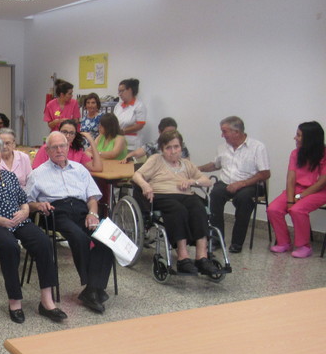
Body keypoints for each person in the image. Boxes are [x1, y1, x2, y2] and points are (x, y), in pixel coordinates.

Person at [0, 134, 64, 324]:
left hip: (18, 220)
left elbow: (23, 201)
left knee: (42, 242)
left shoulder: (9, 176)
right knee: (10, 246)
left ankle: (47, 301)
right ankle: (15, 301)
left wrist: (24, 212)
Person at [27, 132, 114, 314]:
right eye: (54, 147)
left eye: (62, 146)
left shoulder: (80, 169)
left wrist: (92, 214)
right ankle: (93, 288)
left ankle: (92, 289)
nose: (59, 150)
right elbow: (27, 203)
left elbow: (92, 197)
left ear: (68, 147)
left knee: (106, 239)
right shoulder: (38, 173)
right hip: (56, 212)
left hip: (83, 210)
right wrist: (39, 205)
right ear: (47, 150)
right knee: (79, 237)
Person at [131, 130, 219, 276]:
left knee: (198, 208)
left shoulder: (186, 164)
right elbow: (136, 175)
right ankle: (183, 258)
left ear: (181, 147)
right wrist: (145, 185)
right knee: (178, 210)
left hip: (185, 195)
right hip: (162, 195)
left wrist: (192, 181)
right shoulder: (156, 159)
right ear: (162, 149)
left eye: (176, 147)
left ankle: (202, 257)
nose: (173, 151)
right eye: (168, 148)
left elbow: (207, 181)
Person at [198, 116, 270, 253]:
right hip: (226, 182)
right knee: (215, 194)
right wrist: (198, 168)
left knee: (244, 199)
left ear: (236, 132)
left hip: (249, 184)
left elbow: (265, 173)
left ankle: (237, 242)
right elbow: (215, 165)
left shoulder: (257, 147)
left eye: (224, 132)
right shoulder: (222, 148)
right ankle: (217, 239)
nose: (222, 135)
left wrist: (242, 183)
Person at [267, 121, 326, 258]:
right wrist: (290, 199)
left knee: (297, 209)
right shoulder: (295, 153)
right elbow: (291, 178)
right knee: (273, 209)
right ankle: (284, 243)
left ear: (310, 138)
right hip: (297, 189)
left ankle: (304, 246)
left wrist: (299, 197)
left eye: (298, 135)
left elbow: (322, 182)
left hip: (320, 191)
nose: (295, 138)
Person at [32, 119, 102, 172]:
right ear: (59, 132)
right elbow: (36, 171)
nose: (68, 136)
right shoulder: (48, 148)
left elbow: (97, 168)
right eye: (64, 132)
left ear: (75, 135)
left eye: (71, 133)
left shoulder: (77, 150)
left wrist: (92, 141)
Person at [122, 117, 189, 164]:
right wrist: (127, 157)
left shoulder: (181, 146)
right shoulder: (153, 146)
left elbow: (187, 165)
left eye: (173, 132)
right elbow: (136, 153)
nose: (171, 135)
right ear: (160, 132)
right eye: (168, 132)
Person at [113, 78, 147, 152]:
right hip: (117, 142)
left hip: (132, 144)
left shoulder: (139, 105)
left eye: (122, 91)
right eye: (119, 91)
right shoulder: (118, 106)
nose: (120, 94)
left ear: (130, 90)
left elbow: (140, 125)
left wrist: (122, 131)